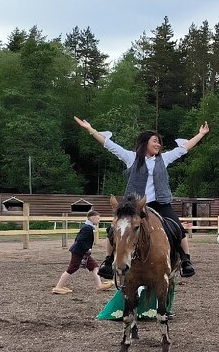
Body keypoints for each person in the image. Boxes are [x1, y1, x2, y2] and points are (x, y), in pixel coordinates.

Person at [74, 116, 209, 277]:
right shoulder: (131, 158)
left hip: (160, 204)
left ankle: (186, 261)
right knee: (113, 230)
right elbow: (109, 145)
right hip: (135, 207)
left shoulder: (164, 159)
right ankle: (108, 260)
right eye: (155, 141)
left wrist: (200, 134)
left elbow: (184, 148)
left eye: (159, 142)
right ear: (145, 142)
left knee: (178, 228)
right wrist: (91, 129)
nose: (158, 144)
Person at [52, 210, 115, 294]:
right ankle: (58, 287)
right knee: (72, 268)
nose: (99, 220)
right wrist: (87, 249)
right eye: (98, 218)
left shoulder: (87, 227)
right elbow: (79, 240)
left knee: (94, 267)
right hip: (79, 252)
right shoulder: (87, 228)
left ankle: (99, 285)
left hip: (82, 252)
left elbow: (77, 239)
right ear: (92, 218)